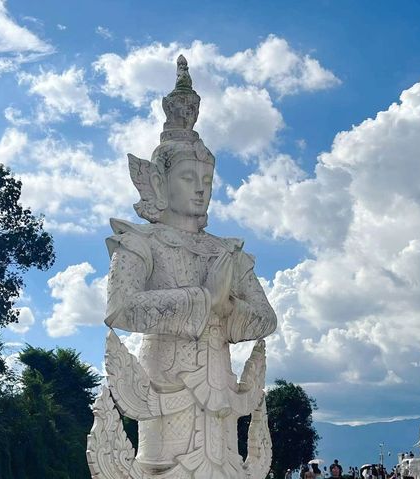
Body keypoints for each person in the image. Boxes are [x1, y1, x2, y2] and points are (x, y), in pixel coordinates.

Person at [101, 55, 277, 476]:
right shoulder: (141, 242)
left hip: (220, 387)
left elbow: (266, 319)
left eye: (207, 180)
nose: (200, 188)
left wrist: (226, 309)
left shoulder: (227, 252)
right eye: (187, 177)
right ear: (159, 183)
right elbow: (120, 309)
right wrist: (202, 299)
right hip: (167, 384)